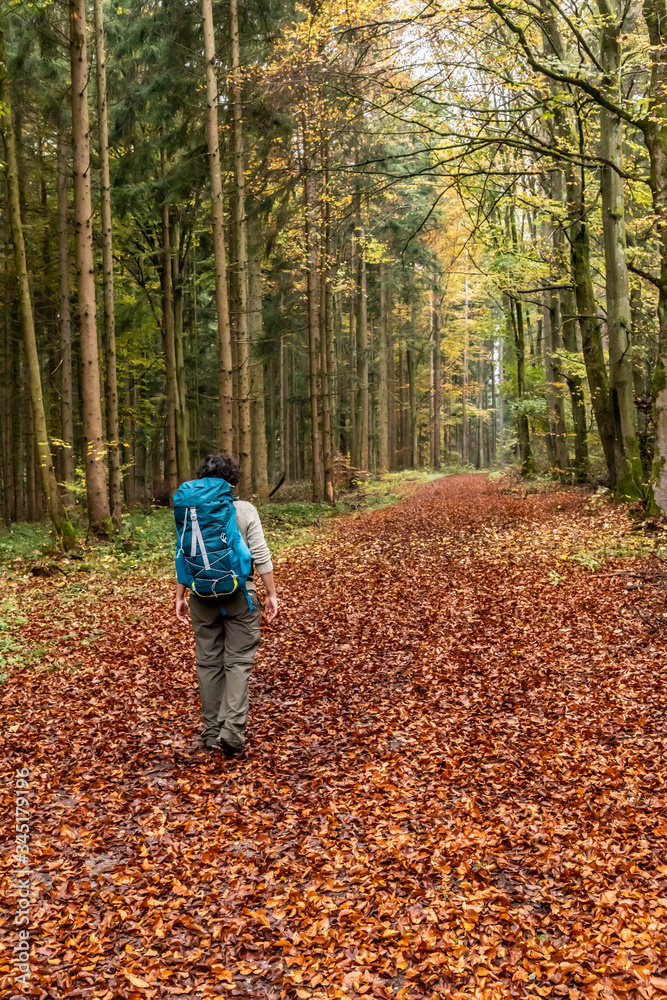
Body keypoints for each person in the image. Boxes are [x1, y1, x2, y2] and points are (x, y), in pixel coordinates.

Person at [174, 453, 278, 757]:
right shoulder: (243, 510)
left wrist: (180, 596)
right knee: (238, 662)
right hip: (239, 594)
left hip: (201, 595)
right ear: (231, 480)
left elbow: (183, 554)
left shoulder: (189, 510)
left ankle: (211, 733)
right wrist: (271, 593)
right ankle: (232, 732)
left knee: (208, 663)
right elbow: (260, 552)